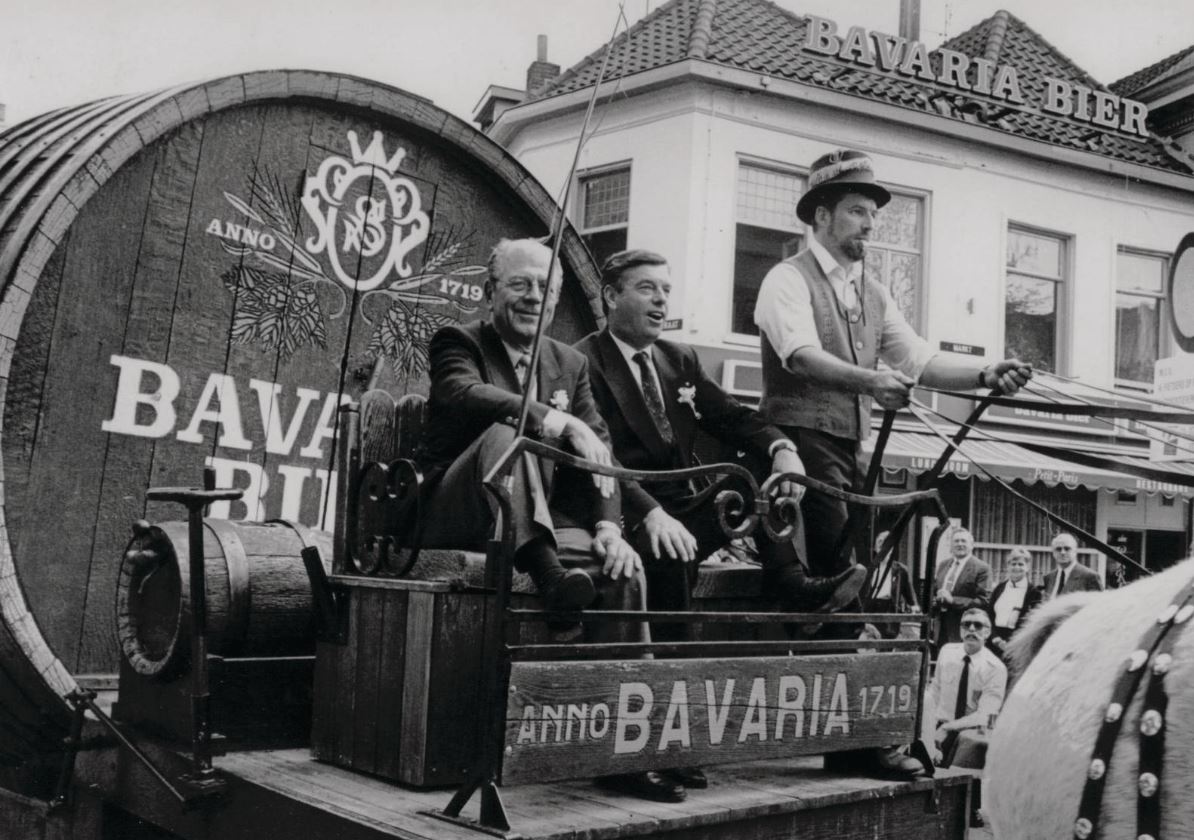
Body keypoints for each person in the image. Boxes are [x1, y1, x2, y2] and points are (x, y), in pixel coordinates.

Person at [575, 249, 868, 796]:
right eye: (646, 289)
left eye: (666, 289)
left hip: (683, 508)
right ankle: (646, 750)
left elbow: (732, 417)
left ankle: (791, 583)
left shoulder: (678, 360)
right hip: (621, 507)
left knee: (748, 472)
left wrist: (782, 446)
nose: (662, 300)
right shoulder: (581, 362)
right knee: (666, 569)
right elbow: (597, 460)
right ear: (611, 297)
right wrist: (651, 513)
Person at [417, 239, 674, 802]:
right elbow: (462, 392)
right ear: (490, 293)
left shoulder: (569, 362)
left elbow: (599, 450)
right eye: (520, 284)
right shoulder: (458, 341)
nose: (534, 297)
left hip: (535, 525)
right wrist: (552, 420)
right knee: (509, 435)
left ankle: (627, 750)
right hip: (460, 510)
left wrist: (610, 527)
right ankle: (553, 576)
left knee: (623, 571)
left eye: (545, 289)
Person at [752, 149, 1032, 579]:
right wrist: (872, 382)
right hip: (799, 445)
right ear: (822, 216)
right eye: (857, 211)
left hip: (853, 451)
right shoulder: (787, 278)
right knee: (831, 572)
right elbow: (801, 357)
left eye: (874, 214)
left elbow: (918, 359)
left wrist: (983, 374)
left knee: (859, 567)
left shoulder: (874, 293)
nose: (869, 224)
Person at [921, 606, 1007, 827]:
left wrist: (948, 728)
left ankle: (968, 809)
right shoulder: (947, 652)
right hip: (940, 724)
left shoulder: (995, 667)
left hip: (969, 729)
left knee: (971, 741)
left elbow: (986, 714)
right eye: (966, 624)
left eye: (978, 625)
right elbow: (935, 692)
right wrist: (929, 730)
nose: (971, 629)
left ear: (988, 632)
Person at [933, 528, 992, 646]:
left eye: (963, 541)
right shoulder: (943, 565)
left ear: (971, 545)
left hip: (963, 626)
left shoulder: (981, 568)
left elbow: (983, 600)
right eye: (956, 541)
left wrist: (952, 600)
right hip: (940, 624)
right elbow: (934, 590)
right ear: (951, 545)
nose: (960, 544)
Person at [986, 547, 1042, 662]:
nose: (1016, 567)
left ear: (1027, 567)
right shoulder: (999, 588)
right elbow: (989, 614)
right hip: (994, 641)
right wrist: (995, 638)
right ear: (1008, 566)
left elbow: (1031, 622)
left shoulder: (1034, 592)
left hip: (1016, 644)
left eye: (1021, 564)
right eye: (1013, 564)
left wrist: (1011, 642)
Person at [868, 530, 918, 637]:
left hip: (889, 612)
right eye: (881, 547)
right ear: (876, 549)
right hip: (871, 611)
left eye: (888, 547)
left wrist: (914, 606)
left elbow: (910, 596)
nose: (885, 551)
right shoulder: (870, 568)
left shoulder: (901, 570)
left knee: (888, 644)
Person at [1041, 532, 1103, 598]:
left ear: (1075, 551)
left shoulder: (1089, 576)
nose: (1062, 552)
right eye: (1058, 549)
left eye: (1067, 548)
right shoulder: (1049, 577)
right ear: (1053, 553)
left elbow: (1098, 606)